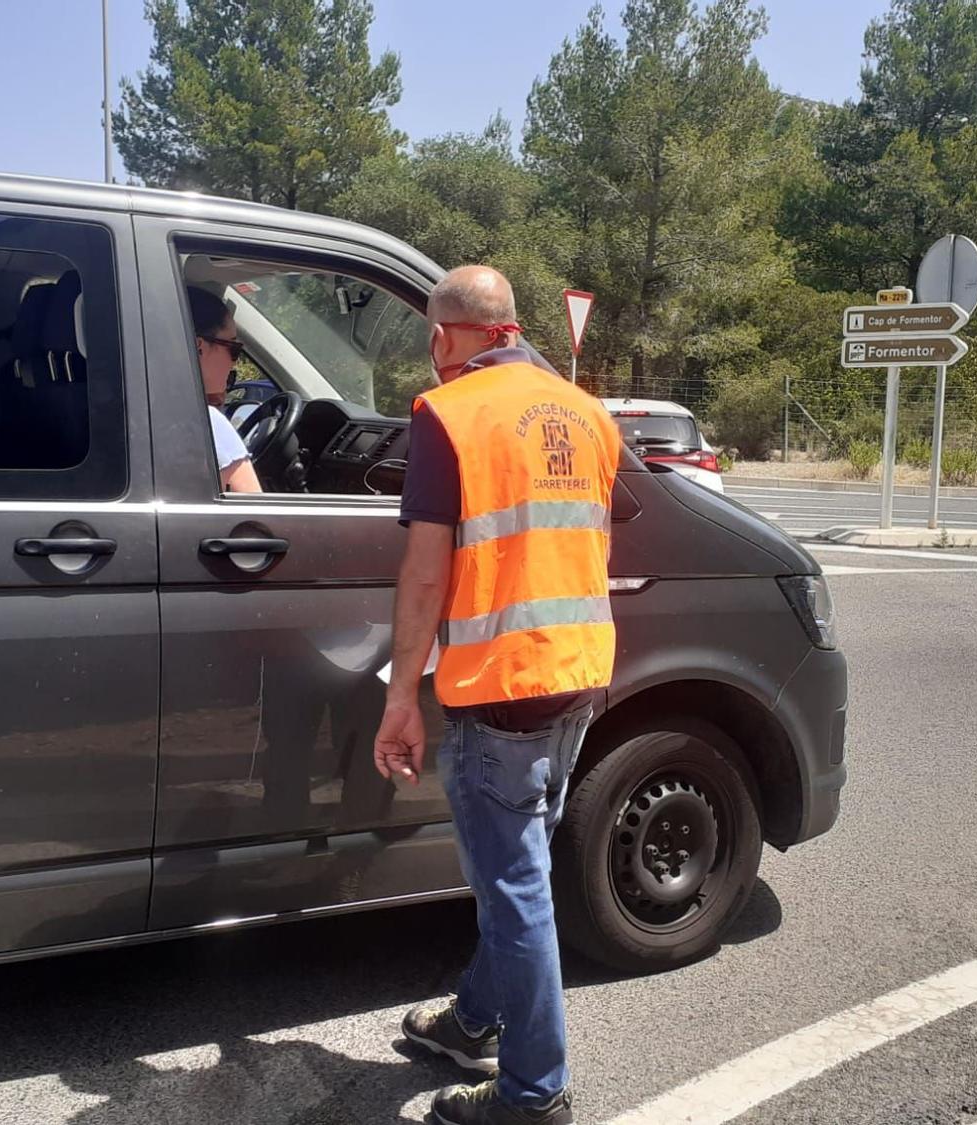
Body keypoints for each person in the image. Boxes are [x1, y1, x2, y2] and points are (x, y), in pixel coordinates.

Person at [374, 265, 618, 1125]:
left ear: (445, 339)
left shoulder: (449, 416)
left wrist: (402, 694)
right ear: (512, 327)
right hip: (579, 676)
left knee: (514, 887)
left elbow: (425, 572)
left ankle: (532, 1092)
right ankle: (471, 1017)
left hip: (500, 690)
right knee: (521, 865)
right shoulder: (589, 414)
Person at [187, 287, 262, 493]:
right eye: (233, 349)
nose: (234, 364)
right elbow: (255, 519)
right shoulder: (206, 424)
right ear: (197, 347)